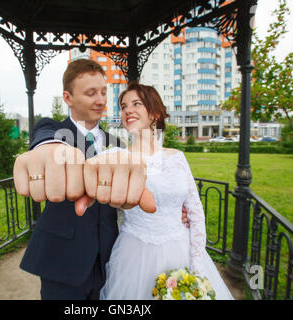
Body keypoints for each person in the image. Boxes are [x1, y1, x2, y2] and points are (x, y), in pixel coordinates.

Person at [14, 59, 189, 300]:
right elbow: (43, 136)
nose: (101, 100)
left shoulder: (117, 144)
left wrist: (171, 213)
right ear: (68, 98)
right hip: (63, 261)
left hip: (110, 259)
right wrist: (51, 147)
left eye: (104, 92)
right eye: (90, 93)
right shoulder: (54, 130)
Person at [99, 83, 234, 300]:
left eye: (136, 104)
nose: (127, 110)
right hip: (135, 253)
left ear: (154, 113)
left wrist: (197, 270)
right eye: (123, 107)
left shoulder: (177, 157)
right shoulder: (118, 157)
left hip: (180, 249)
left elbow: (196, 213)